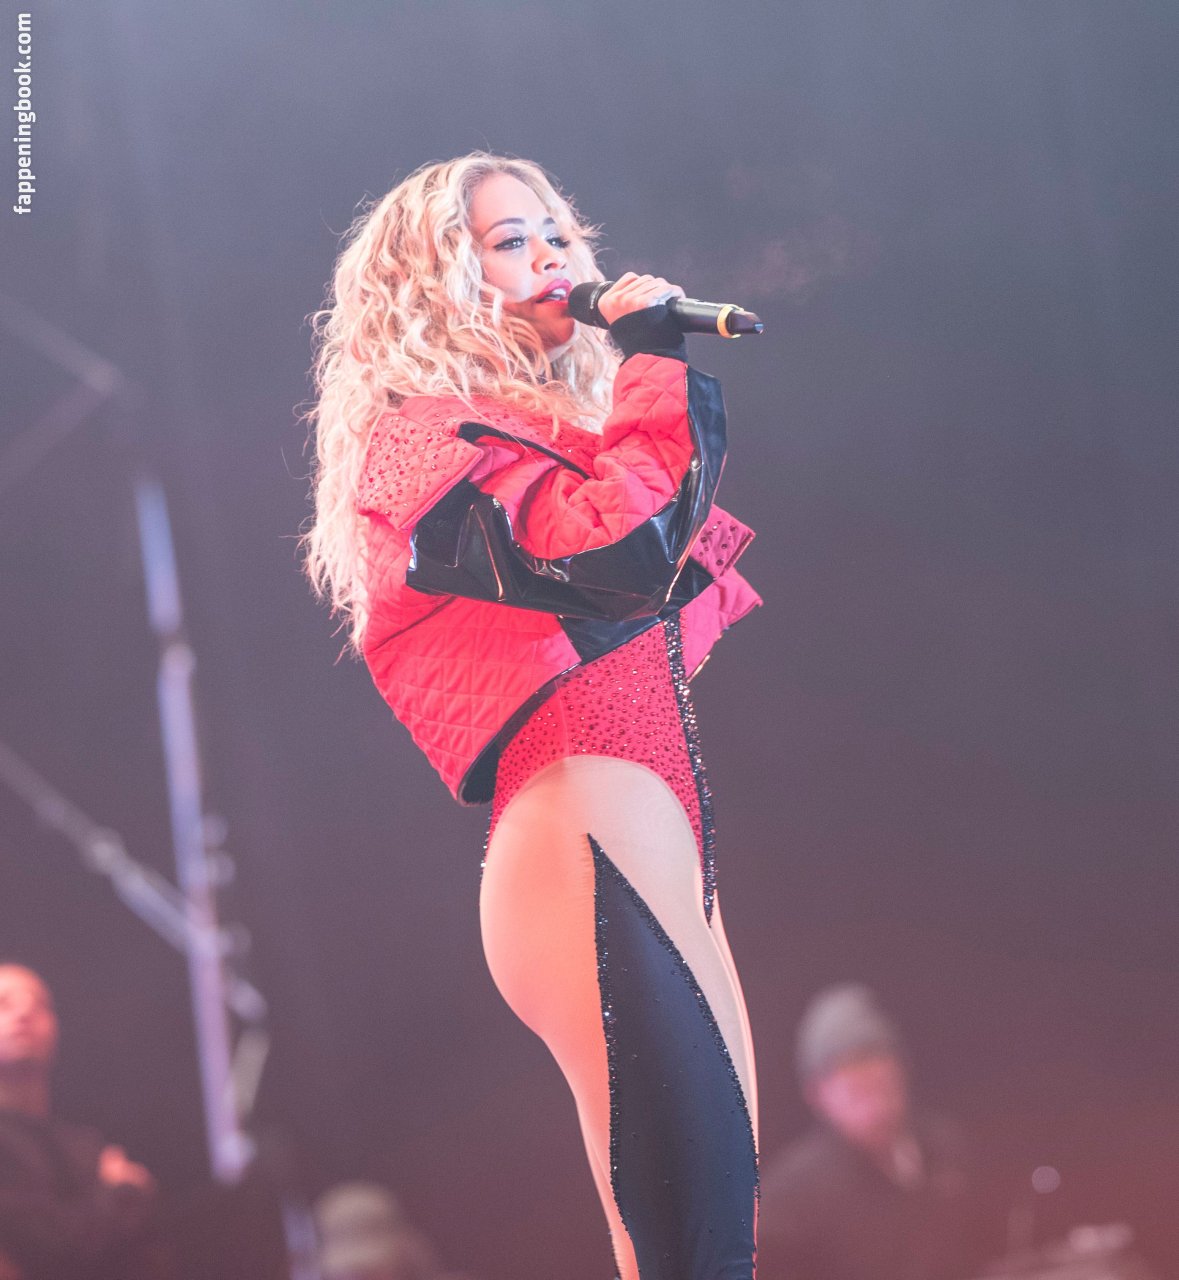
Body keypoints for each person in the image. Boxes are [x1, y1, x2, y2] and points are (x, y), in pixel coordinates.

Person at [303, 152, 762, 1280]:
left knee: (718, 1237)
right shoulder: (425, 440)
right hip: (581, 827)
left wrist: (637, 386)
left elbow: (649, 544)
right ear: (434, 282)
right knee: (690, 1239)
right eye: (511, 240)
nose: (554, 256)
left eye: (558, 232)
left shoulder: (563, 433)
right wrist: (654, 364)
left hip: (663, 832)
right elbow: (618, 557)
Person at [757, 983, 996, 1280]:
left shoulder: (946, 1148)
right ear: (815, 1093)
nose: (867, 1073)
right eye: (845, 1064)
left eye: (874, 1054)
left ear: (901, 1067)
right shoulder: (788, 1200)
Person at [0, 963, 173, 1280]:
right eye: (4, 1003)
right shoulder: (102, 1167)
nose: (24, 1012)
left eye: (39, 1005)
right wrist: (119, 1192)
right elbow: (48, 1250)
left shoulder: (85, 1147)